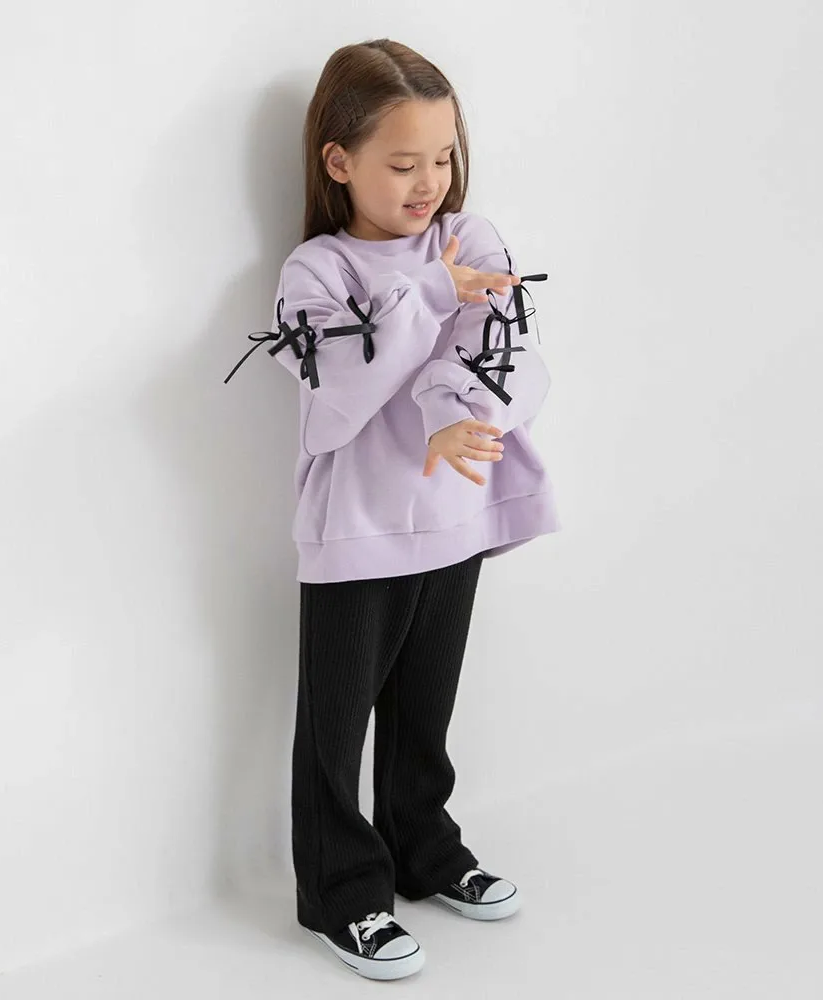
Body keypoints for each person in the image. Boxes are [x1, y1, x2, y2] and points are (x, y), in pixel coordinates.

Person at [225, 38, 561, 981]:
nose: (430, 184)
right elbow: (338, 396)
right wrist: (429, 291)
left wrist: (452, 409)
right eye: (404, 163)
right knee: (335, 727)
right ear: (339, 161)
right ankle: (341, 895)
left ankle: (424, 850)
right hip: (358, 532)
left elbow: (506, 344)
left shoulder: (472, 236)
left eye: (443, 157)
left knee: (425, 709)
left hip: (453, 519)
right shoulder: (317, 273)